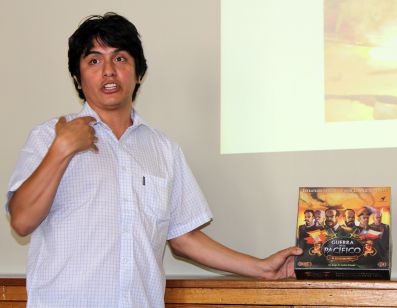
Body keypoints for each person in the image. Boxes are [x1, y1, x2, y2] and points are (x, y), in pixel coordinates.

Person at [6, 13, 302, 308]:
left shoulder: (163, 149)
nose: (108, 71)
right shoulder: (48, 136)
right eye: (94, 61)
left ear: (138, 74)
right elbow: (21, 221)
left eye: (120, 59)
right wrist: (62, 150)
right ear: (77, 79)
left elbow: (183, 238)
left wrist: (262, 268)